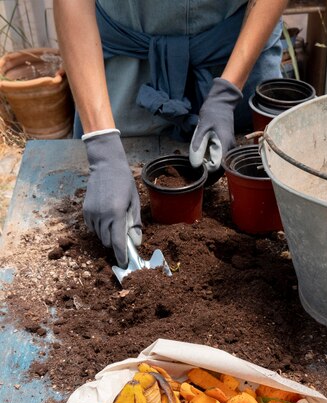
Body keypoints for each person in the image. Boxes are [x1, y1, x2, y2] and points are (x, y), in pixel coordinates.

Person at [53, 1, 288, 268]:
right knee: (110, 195)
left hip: (237, 54)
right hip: (126, 66)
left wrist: (227, 93)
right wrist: (102, 145)